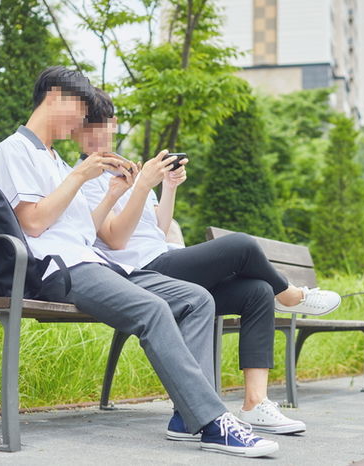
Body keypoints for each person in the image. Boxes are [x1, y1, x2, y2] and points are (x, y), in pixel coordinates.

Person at [0, 66, 278, 457]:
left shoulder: (53, 160)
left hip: (95, 263)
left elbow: (86, 233)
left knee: (196, 299)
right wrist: (80, 178)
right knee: (154, 310)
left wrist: (109, 193)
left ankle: (187, 418)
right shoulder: (14, 150)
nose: (79, 121)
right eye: (78, 109)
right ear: (54, 96)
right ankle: (211, 422)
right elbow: (33, 222)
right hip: (57, 269)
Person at [77, 87, 342, 439]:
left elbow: (157, 228)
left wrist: (168, 187)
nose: (99, 134)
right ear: (75, 132)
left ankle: (254, 402)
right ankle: (291, 295)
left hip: (165, 257)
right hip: (141, 272)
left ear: (114, 125)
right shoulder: (82, 178)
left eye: (105, 124)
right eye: (89, 126)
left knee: (257, 291)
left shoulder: (131, 170)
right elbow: (114, 240)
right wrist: (139, 186)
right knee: (242, 246)